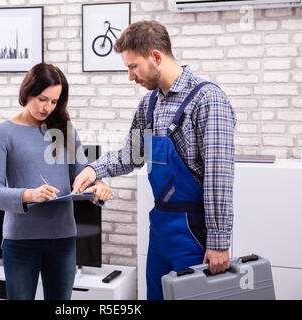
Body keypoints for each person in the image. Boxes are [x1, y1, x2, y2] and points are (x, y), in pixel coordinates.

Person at [72, 21, 237, 300]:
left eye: (133, 66)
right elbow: (131, 154)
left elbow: (218, 177)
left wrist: (219, 243)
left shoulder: (208, 99)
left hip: (194, 231)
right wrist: (93, 168)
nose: (130, 76)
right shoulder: (149, 104)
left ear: (156, 57)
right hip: (160, 227)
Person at [0, 62, 113, 300]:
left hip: (62, 239)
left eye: (54, 101)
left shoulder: (65, 130)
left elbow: (83, 173)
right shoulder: (2, 133)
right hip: (20, 241)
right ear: (27, 92)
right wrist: (29, 195)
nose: (48, 107)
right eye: (43, 99)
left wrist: (100, 186)